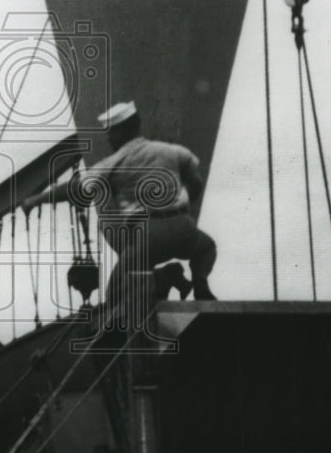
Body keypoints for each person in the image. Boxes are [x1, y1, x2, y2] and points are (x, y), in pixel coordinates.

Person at [22, 101, 217, 308]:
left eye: (110, 133)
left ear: (120, 132)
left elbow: (76, 188)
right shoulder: (173, 151)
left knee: (116, 290)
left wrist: (36, 200)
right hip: (184, 226)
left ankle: (154, 285)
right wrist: (177, 206)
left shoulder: (113, 162)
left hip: (149, 235)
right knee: (206, 248)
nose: (108, 139)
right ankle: (200, 285)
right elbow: (196, 185)